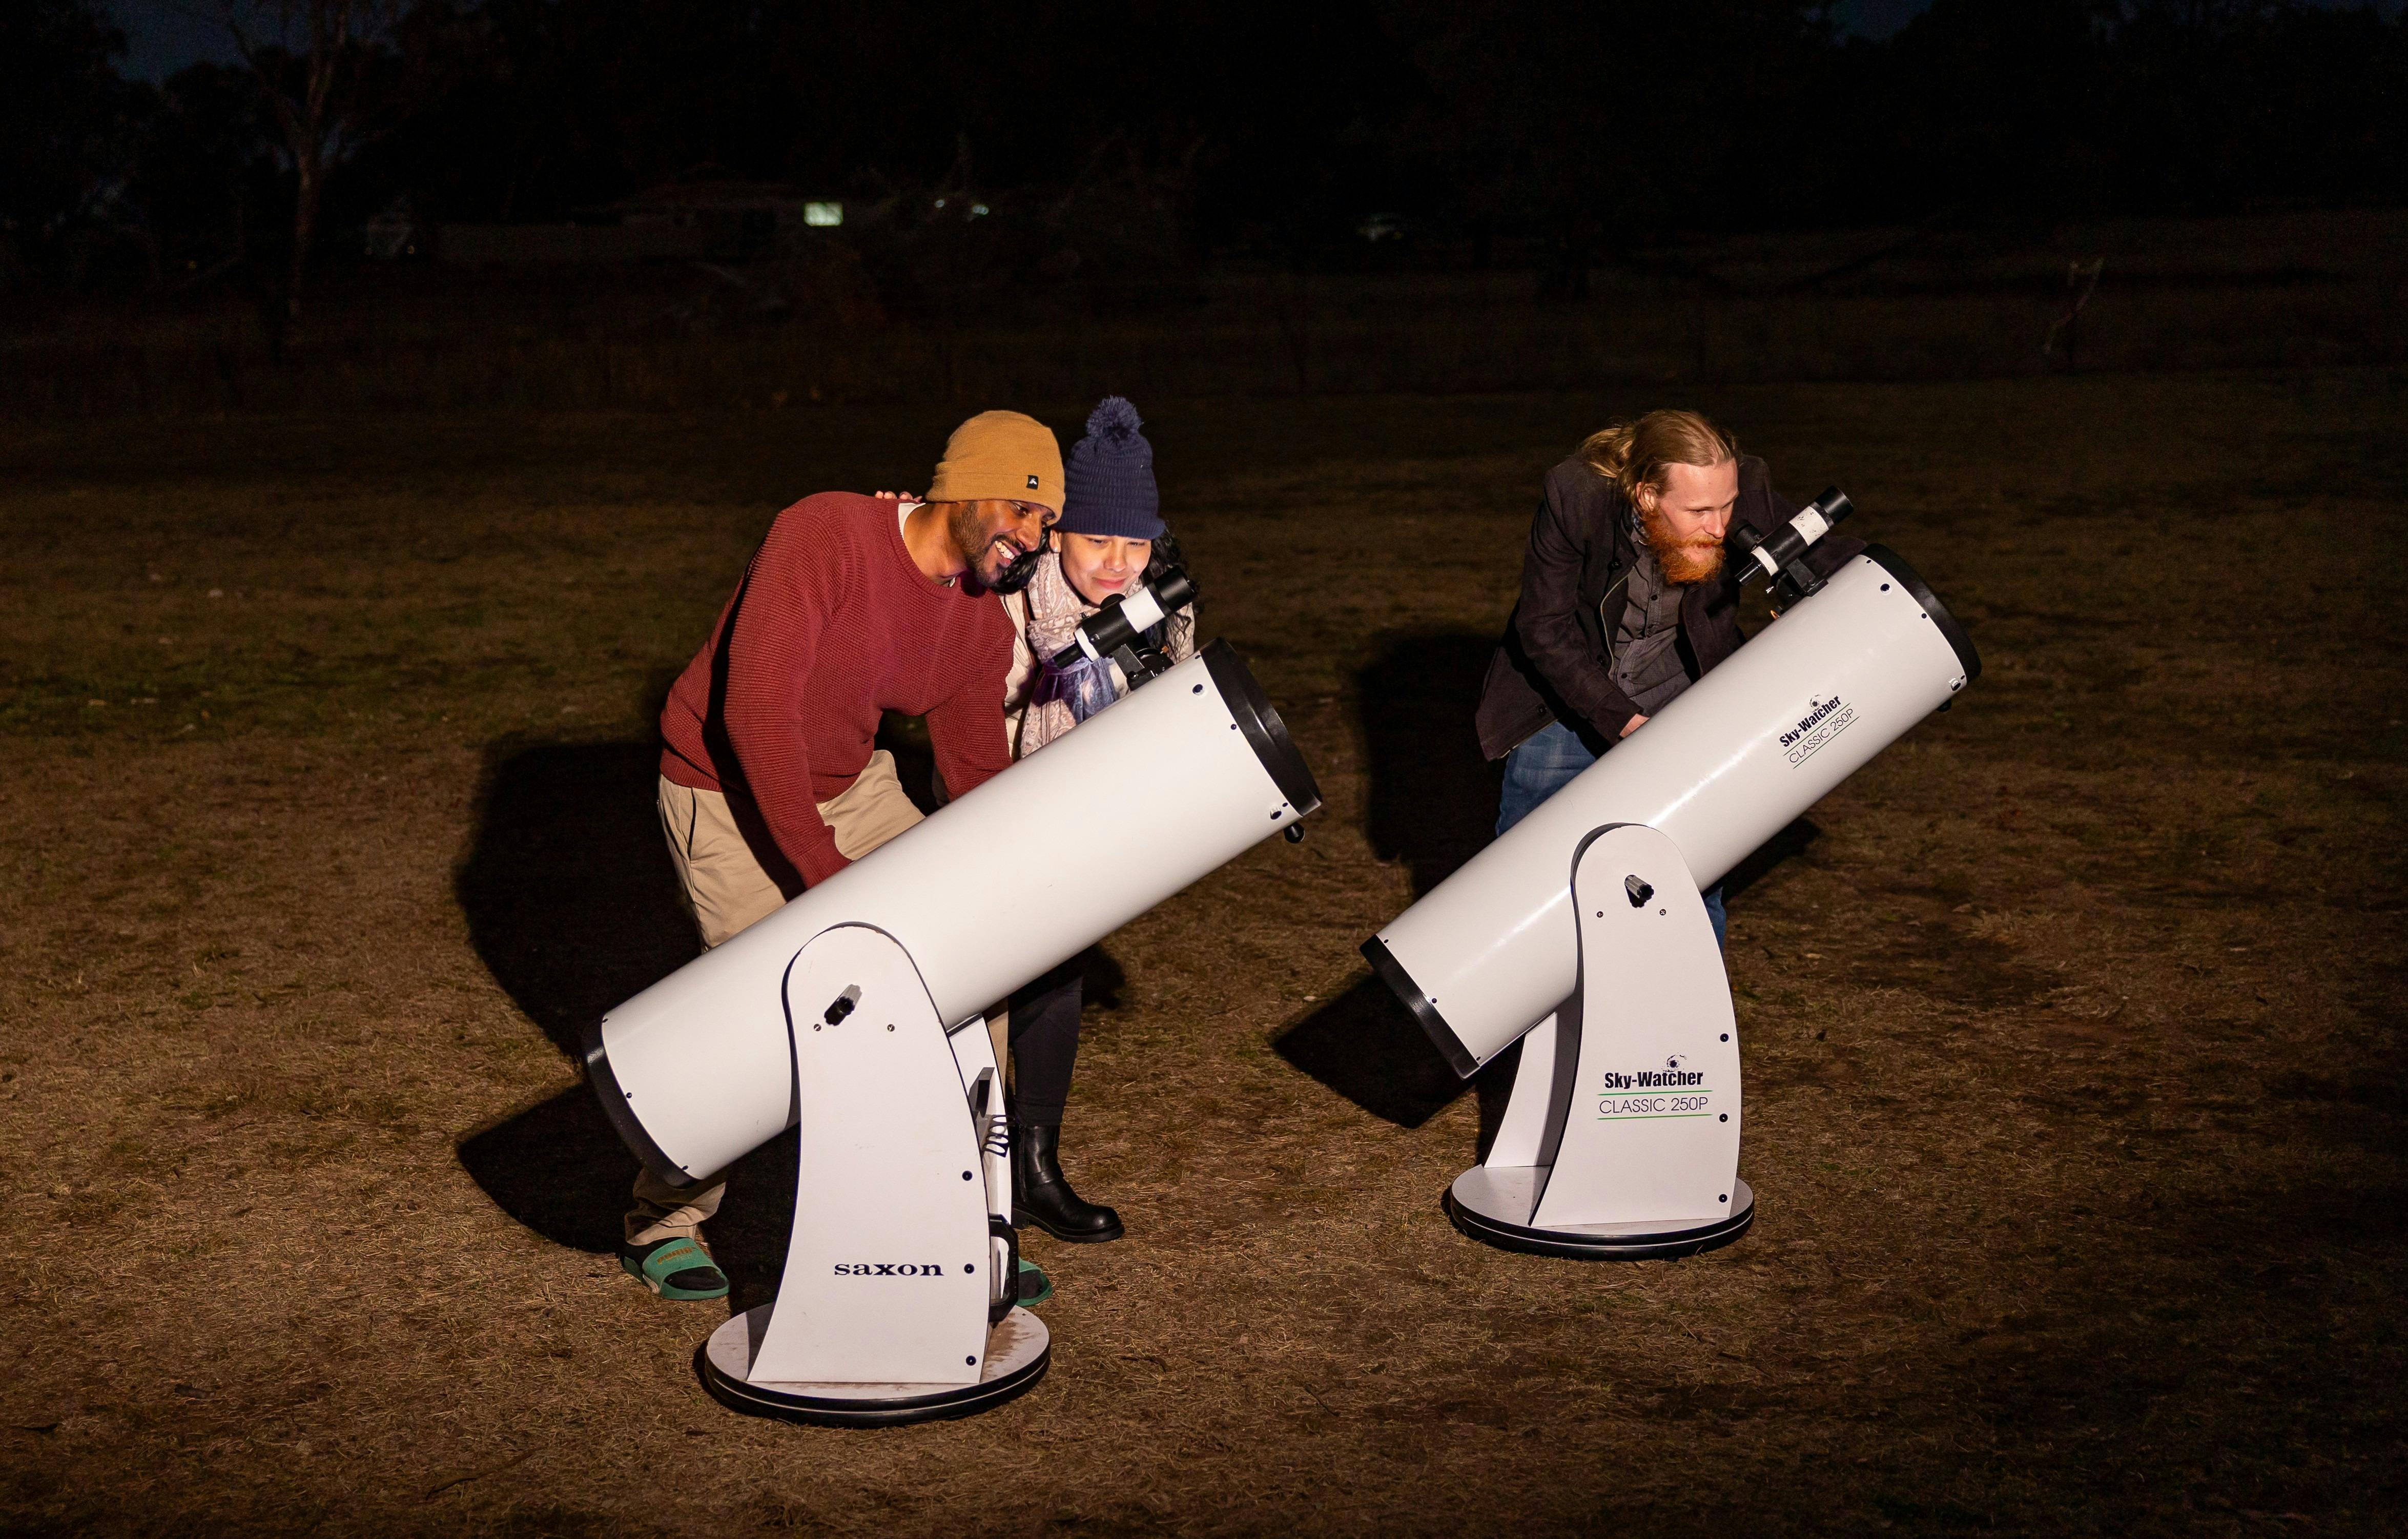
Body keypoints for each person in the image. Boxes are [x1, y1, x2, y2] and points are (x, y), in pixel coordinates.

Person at [620, 409, 1063, 1303]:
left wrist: (1016, 888)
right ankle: (664, 1219)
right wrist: (825, 884)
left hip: (851, 782)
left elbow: (974, 773)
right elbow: (754, 713)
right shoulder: (824, 531)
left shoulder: (980, 620)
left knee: (978, 968)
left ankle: (968, 1220)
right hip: (724, 781)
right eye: (1023, 514)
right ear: (967, 491)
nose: (1032, 540)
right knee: (754, 1007)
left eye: (1045, 524)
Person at [1472, 408, 1865, 948]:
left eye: (1726, 506)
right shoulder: (1577, 498)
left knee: (1689, 878)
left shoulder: (1738, 485)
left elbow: (1823, 554)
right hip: (1566, 700)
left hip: (1681, 700)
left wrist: (1877, 590)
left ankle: (1687, 1026)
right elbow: (1543, 628)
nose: (1720, 527)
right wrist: (1623, 721)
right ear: (1645, 496)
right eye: (1700, 511)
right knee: (1527, 881)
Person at [994, 396, 1196, 1246]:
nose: (1116, 564)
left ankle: (1034, 1168)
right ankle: (973, 1169)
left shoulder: (1160, 611)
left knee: (1059, 980)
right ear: (1057, 533)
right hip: (997, 818)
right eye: (1095, 540)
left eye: (1135, 543)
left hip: (1090, 832)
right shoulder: (1007, 602)